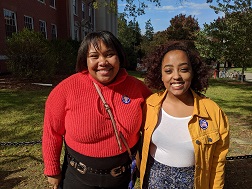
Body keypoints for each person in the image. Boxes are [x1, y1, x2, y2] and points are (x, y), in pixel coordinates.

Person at [42, 31, 152, 189]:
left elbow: (155, 126)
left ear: (119, 56)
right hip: (77, 178)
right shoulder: (65, 90)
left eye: (109, 54)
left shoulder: (138, 89)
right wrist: (52, 170)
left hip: (122, 178)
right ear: (85, 60)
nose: (103, 62)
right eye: (94, 56)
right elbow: (51, 132)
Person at [140, 41, 230, 189]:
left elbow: (218, 163)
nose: (176, 76)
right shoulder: (150, 105)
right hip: (153, 181)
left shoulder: (213, 112)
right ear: (160, 75)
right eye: (168, 71)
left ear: (192, 73)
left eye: (183, 69)